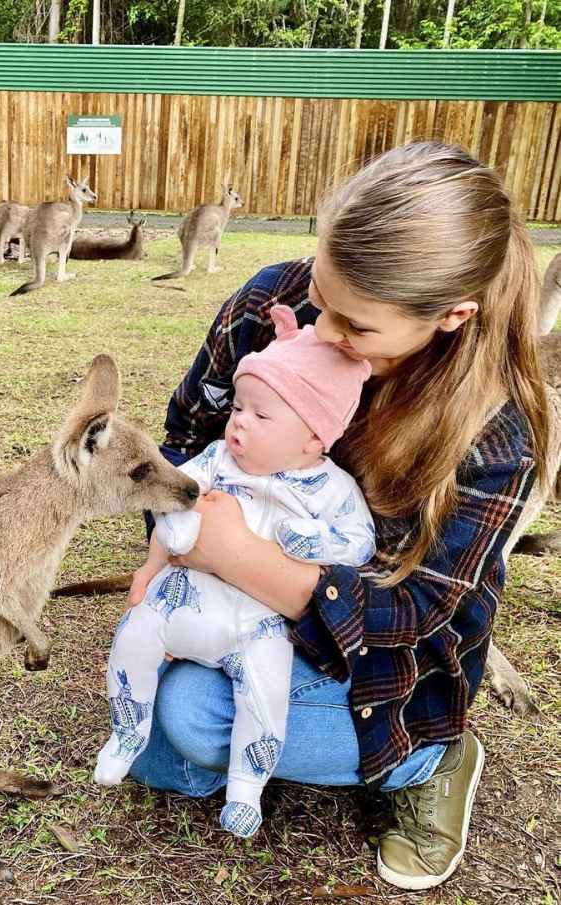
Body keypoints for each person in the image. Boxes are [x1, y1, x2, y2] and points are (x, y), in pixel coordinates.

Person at [126, 141, 550, 892]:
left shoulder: (494, 432)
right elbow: (187, 434)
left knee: (189, 716)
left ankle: (433, 758)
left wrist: (233, 557)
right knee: (162, 716)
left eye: (356, 327)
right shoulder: (269, 304)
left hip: (381, 656)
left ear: (451, 315)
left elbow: (417, 610)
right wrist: (177, 550)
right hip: (240, 599)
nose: (321, 333)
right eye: (322, 298)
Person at [94, 304, 376, 840]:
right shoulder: (217, 459)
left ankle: (247, 787)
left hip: (260, 623)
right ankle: (125, 731)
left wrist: (313, 540)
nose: (240, 421)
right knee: (133, 638)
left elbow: (358, 543)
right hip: (187, 599)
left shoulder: (331, 489)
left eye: (262, 415)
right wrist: (152, 569)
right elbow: (172, 500)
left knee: (262, 696)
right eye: (239, 407)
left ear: (315, 438)